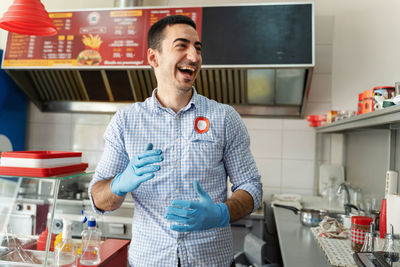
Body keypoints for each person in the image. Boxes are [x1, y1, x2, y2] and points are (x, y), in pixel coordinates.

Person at [89, 15, 262, 267]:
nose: (194, 57)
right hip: (149, 261)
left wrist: (221, 213)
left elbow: (252, 188)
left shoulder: (224, 118)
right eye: (182, 45)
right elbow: (98, 198)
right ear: (153, 58)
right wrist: (119, 184)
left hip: (211, 261)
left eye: (198, 48)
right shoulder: (126, 122)